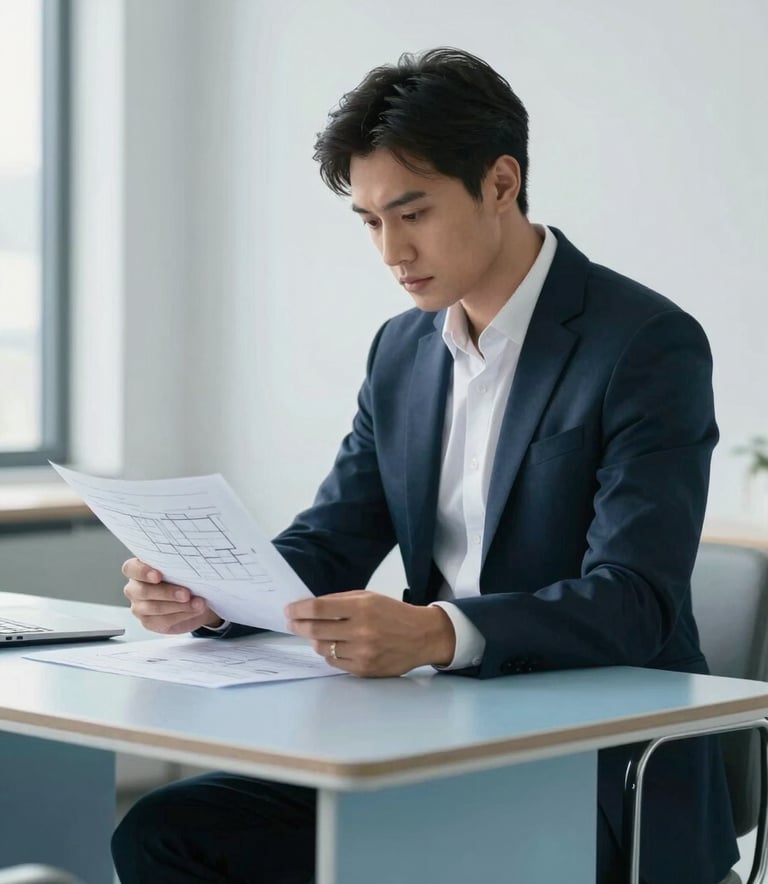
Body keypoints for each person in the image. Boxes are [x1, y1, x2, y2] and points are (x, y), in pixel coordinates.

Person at [112, 47, 737, 884]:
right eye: (371, 222)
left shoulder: (642, 344)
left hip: (593, 769)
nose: (391, 252)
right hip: (431, 739)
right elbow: (332, 537)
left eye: (413, 213)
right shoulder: (404, 350)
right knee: (170, 831)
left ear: (502, 183)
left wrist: (441, 633)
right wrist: (209, 595)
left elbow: (638, 600)